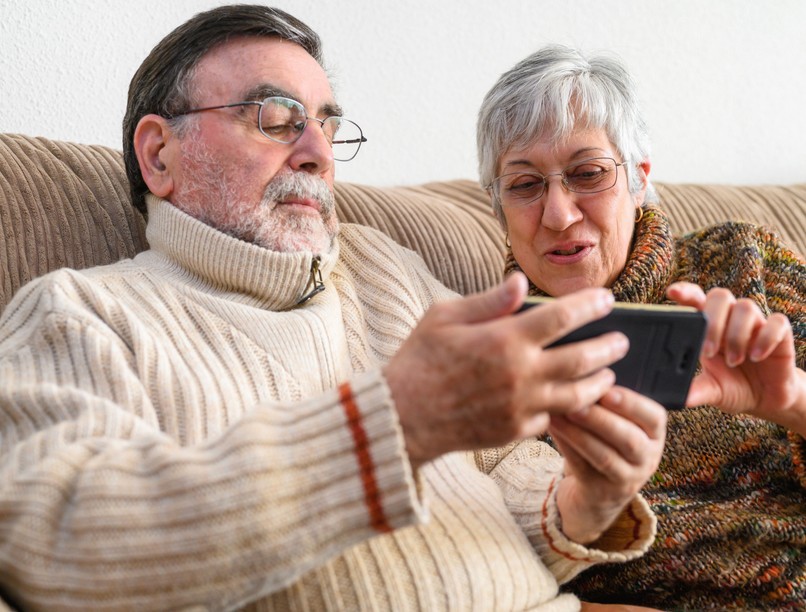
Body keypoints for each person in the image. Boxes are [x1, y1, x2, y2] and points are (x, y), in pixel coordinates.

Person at [0, 7, 668, 611]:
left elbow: (503, 465)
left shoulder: (383, 269)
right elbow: (52, 539)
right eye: (276, 119)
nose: (319, 154)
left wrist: (582, 503)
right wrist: (390, 428)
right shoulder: (79, 312)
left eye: (326, 123)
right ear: (159, 154)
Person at [476, 43, 806, 610]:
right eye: (525, 185)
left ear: (638, 179)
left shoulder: (742, 262)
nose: (558, 215)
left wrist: (792, 403)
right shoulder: (489, 356)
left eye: (588, 174)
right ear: (499, 208)